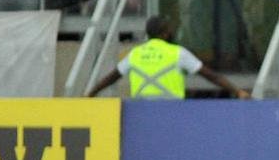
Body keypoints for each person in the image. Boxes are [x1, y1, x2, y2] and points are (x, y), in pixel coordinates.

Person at [87, 15, 248, 99]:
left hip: (141, 112)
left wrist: (90, 94)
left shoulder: (135, 53)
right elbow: (211, 76)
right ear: (164, 33)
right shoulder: (178, 53)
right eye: (169, 29)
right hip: (171, 110)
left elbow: (111, 78)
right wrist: (237, 91)